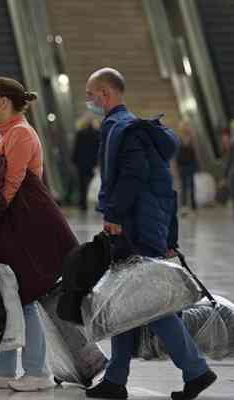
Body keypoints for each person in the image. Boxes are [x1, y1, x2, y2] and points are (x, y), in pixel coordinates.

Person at [84, 68, 216, 400]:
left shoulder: (123, 130)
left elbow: (132, 178)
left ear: (106, 93)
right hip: (147, 226)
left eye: (91, 94)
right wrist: (169, 237)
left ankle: (196, 370)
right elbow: (164, 189)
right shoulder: (132, 129)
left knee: (148, 305)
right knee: (126, 302)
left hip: (136, 228)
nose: (89, 100)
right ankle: (116, 379)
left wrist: (114, 215)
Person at [0, 77, 70, 392]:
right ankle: (4, 367)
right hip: (6, 225)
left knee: (24, 298)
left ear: (4, 102)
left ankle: (37, 370)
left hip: (19, 225)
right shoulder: (8, 133)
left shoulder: (21, 134)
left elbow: (11, 184)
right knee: (8, 295)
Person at [71, 113, 101, 211]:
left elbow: (77, 148)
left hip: (81, 163)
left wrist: (74, 160)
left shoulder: (80, 133)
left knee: (82, 184)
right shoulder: (97, 133)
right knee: (95, 184)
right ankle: (97, 203)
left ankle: (83, 204)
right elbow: (99, 149)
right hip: (93, 163)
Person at [177, 120, 198, 213]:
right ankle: (184, 206)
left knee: (192, 185)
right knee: (184, 186)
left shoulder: (192, 138)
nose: (185, 128)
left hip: (191, 165)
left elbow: (195, 153)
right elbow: (177, 154)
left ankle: (193, 206)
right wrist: (177, 166)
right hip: (182, 166)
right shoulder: (178, 139)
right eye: (184, 126)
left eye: (186, 126)